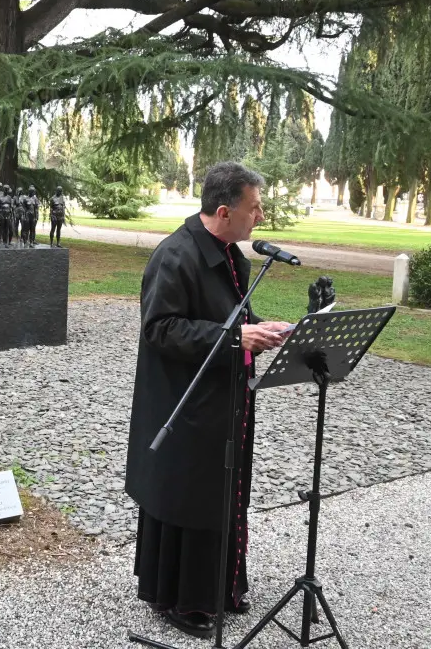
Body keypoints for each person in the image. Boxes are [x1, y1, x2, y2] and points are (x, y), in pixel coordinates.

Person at [124, 161, 290, 640]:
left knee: (222, 492)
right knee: (190, 497)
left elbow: (234, 315)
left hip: (225, 400)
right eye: (253, 208)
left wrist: (264, 328)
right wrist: (237, 337)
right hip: (185, 404)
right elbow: (160, 329)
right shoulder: (175, 256)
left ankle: (218, 587)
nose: (260, 217)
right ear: (224, 211)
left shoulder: (230, 253)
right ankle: (181, 599)